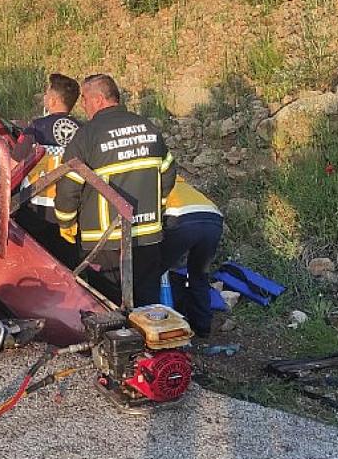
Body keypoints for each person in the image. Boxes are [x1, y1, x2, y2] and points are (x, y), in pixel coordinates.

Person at [54, 74, 176, 307]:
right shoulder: (148, 128)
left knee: (109, 307)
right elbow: (168, 174)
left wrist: (66, 223)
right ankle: (147, 342)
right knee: (147, 305)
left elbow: (68, 186)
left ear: (99, 99)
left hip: (105, 242)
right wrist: (154, 210)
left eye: (85, 100)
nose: (84, 106)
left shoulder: (88, 135)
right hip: (148, 236)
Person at [17, 74, 82, 266]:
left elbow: (14, 161)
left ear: (52, 100)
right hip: (69, 212)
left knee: (34, 263)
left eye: (46, 93)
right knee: (67, 268)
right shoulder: (84, 130)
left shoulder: (36, 127)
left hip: (34, 208)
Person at [161, 177, 223, 338]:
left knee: (165, 272)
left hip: (181, 219)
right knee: (199, 275)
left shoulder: (156, 182)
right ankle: (202, 326)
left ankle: (175, 323)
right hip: (214, 220)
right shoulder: (183, 184)